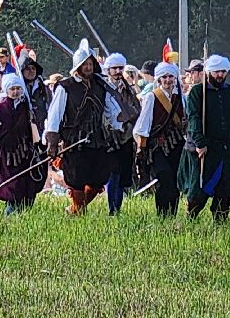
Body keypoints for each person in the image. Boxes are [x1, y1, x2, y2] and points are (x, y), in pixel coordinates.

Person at [44, 40, 122, 215]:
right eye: (84, 64)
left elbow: (110, 110)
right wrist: (52, 141)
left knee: (99, 177)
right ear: (77, 66)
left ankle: (75, 210)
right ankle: (78, 211)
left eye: (90, 64)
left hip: (96, 139)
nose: (88, 67)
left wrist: (119, 125)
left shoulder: (100, 85)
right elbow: (54, 115)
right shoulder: (65, 87)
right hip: (74, 140)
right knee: (77, 180)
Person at [182, 54, 230, 224]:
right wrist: (200, 143)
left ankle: (220, 222)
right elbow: (193, 119)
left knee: (226, 188)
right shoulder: (198, 92)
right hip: (205, 147)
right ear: (209, 73)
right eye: (216, 72)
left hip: (225, 147)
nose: (220, 75)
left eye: (222, 72)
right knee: (199, 188)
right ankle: (190, 219)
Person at [133, 62, 187, 217]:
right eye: (165, 77)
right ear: (159, 79)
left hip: (177, 145)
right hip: (157, 147)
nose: (168, 80)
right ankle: (162, 215)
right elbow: (143, 126)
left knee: (176, 181)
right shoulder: (152, 97)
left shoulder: (180, 98)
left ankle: (172, 215)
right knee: (164, 179)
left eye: (171, 76)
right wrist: (141, 150)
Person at [0, 72, 40, 214]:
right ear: (7, 90)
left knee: (23, 182)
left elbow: (31, 128)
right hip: (5, 154)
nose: (15, 92)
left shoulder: (26, 109)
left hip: (23, 151)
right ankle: (10, 210)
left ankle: (21, 210)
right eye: (12, 89)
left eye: (18, 89)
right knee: (10, 184)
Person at [102, 53, 142, 215]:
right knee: (113, 174)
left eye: (120, 68)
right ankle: (112, 210)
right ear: (108, 70)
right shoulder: (102, 88)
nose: (118, 71)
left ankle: (117, 208)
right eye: (114, 68)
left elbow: (136, 109)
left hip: (126, 137)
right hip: (109, 137)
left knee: (122, 175)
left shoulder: (128, 89)